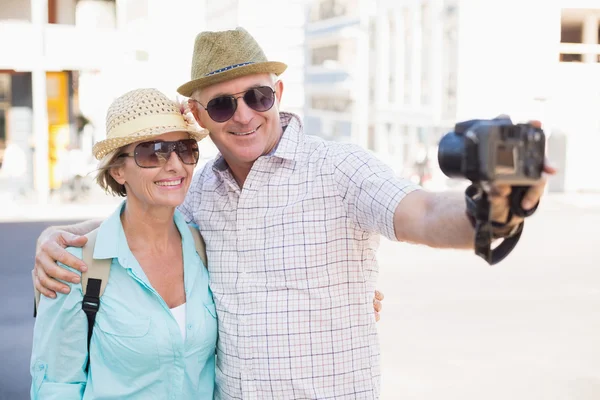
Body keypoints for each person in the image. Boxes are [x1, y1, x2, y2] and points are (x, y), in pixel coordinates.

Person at [34, 27, 555, 399]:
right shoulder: (197, 194)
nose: (243, 115)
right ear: (198, 116)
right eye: (221, 105)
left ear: (277, 94)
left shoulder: (340, 169)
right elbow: (139, 221)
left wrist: (496, 207)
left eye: (257, 96)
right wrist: (57, 238)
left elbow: (420, 213)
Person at [30, 88, 217, 399]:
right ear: (118, 170)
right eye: (152, 152)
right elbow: (55, 387)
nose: (175, 165)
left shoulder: (205, 248)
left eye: (184, 149)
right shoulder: (75, 265)